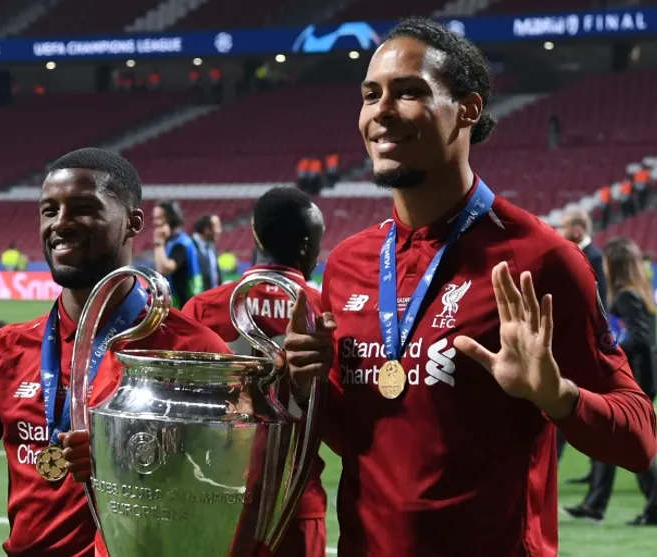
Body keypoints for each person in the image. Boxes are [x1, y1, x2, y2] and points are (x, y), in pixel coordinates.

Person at [282, 17, 657, 557]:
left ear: (467, 109)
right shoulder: (347, 265)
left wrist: (557, 397)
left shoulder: (540, 259)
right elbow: (367, 439)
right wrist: (307, 386)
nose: (380, 111)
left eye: (408, 92)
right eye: (370, 95)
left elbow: (640, 437)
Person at [0, 147, 230, 556]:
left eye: (83, 208)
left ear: (132, 222)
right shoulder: (4, 353)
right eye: (49, 211)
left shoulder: (194, 352)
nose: (61, 223)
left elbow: (227, 496)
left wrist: (127, 460)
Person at [182, 186, 327, 557]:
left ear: (254, 232)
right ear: (306, 246)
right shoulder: (325, 311)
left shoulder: (203, 308)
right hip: (295, 497)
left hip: (213, 494)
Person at [564, 237, 657, 526]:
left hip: (633, 378)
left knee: (633, 446)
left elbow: (640, 339)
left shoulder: (627, 296)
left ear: (614, 264)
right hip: (643, 376)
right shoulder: (640, 292)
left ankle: (647, 506)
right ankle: (595, 504)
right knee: (614, 438)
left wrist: (607, 348)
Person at [555, 207, 608, 481]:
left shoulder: (594, 257)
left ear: (577, 230)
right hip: (573, 344)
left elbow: (599, 304)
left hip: (585, 347)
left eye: (563, 226)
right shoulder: (575, 254)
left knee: (567, 411)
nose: (559, 231)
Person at [152, 200, 203, 308]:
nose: (155, 223)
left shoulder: (181, 244)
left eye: (159, 218)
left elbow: (164, 268)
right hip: (183, 301)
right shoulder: (174, 241)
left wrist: (159, 243)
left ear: (170, 219)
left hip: (184, 304)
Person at [192, 213, 223, 290]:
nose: (220, 231)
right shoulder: (189, 246)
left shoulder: (211, 246)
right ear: (207, 230)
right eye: (217, 227)